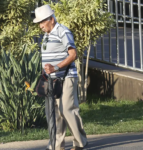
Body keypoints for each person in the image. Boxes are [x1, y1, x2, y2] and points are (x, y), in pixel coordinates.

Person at [33, 5, 87, 150]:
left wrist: (56, 67)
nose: (40, 26)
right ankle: (57, 145)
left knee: (67, 109)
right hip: (52, 80)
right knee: (54, 112)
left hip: (67, 77)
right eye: (39, 23)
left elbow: (73, 54)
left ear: (51, 19)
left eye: (42, 22)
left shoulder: (63, 31)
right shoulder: (47, 34)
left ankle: (80, 143)